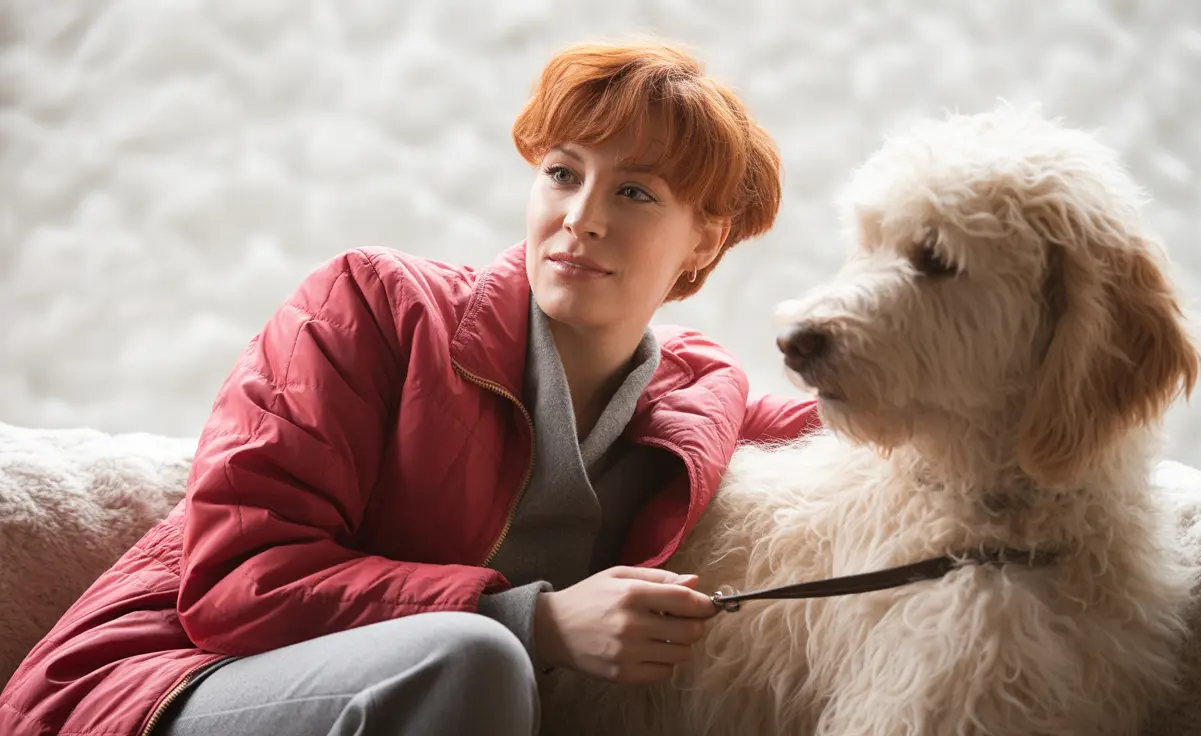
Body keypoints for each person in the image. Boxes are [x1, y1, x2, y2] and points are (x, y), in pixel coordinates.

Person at [0, 39, 818, 736]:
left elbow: (872, 422)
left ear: (705, 237)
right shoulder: (373, 307)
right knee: (476, 658)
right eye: (563, 173)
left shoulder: (696, 393)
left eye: (634, 191)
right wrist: (535, 620)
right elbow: (235, 582)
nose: (582, 216)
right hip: (164, 688)